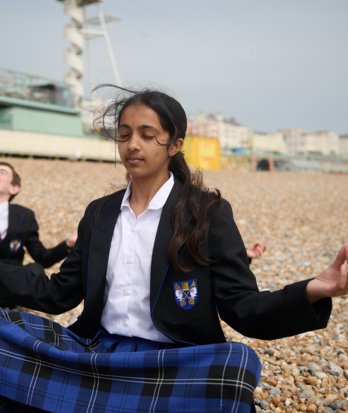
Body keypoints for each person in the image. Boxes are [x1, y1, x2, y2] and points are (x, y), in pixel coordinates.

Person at [0, 87, 346, 413]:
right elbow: (60, 293)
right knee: (6, 332)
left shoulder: (206, 212)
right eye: (124, 134)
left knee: (234, 366)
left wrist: (314, 289)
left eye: (147, 135)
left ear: (174, 144)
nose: (133, 144)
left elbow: (242, 306)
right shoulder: (100, 212)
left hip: (174, 359)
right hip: (98, 350)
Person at [0, 161, 76, 306]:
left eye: (1, 172)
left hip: (10, 281)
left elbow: (42, 258)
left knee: (35, 269)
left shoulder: (25, 216)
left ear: (14, 188)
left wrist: (68, 244)